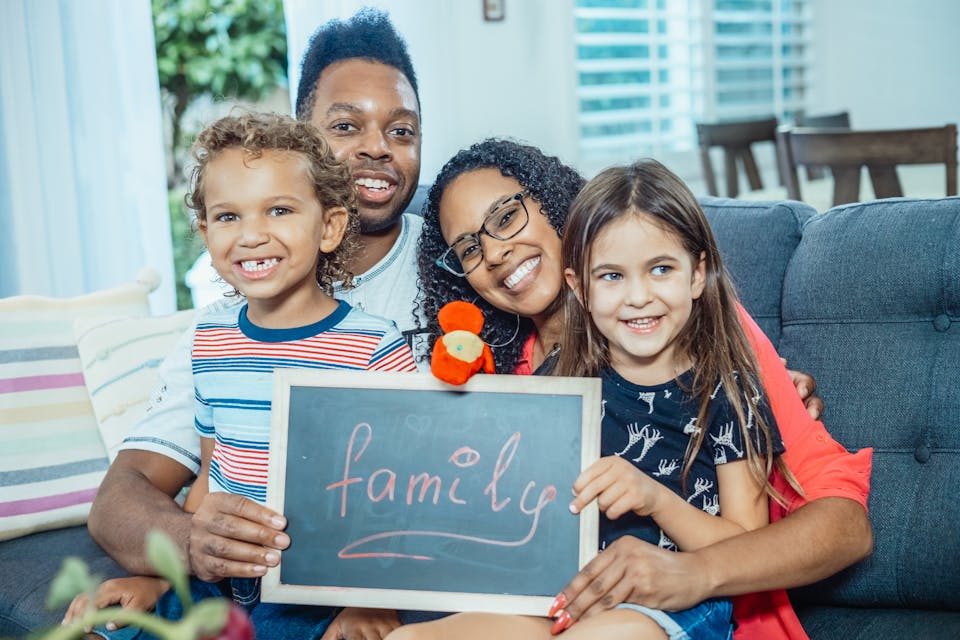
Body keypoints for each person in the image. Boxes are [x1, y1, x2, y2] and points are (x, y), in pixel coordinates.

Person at [86, 10, 829, 640]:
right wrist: (182, 563)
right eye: (346, 125)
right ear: (305, 141)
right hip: (468, 581)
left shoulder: (630, 310)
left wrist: (758, 395)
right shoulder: (229, 328)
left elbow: (805, 506)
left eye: (402, 128)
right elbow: (138, 491)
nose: (377, 147)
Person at [395, 139, 872, 640]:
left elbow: (835, 524)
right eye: (469, 248)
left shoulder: (718, 363)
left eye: (506, 217)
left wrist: (674, 540)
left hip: (675, 606)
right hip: (563, 595)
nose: (494, 252)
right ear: (585, 285)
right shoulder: (523, 376)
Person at [87, 10, 425, 639]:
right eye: (347, 125)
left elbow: (402, 493)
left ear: (327, 225)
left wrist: (369, 598)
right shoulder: (213, 337)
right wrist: (166, 568)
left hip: (317, 585)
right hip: (223, 582)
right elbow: (201, 482)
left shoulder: (381, 337)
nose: (253, 235)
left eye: (400, 129)